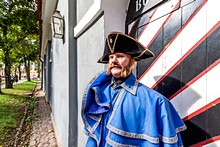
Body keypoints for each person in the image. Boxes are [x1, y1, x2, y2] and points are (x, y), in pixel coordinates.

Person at [81, 32, 186, 147]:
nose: (113, 61)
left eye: (120, 56)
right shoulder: (99, 94)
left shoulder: (156, 102)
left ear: (131, 62)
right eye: (111, 57)